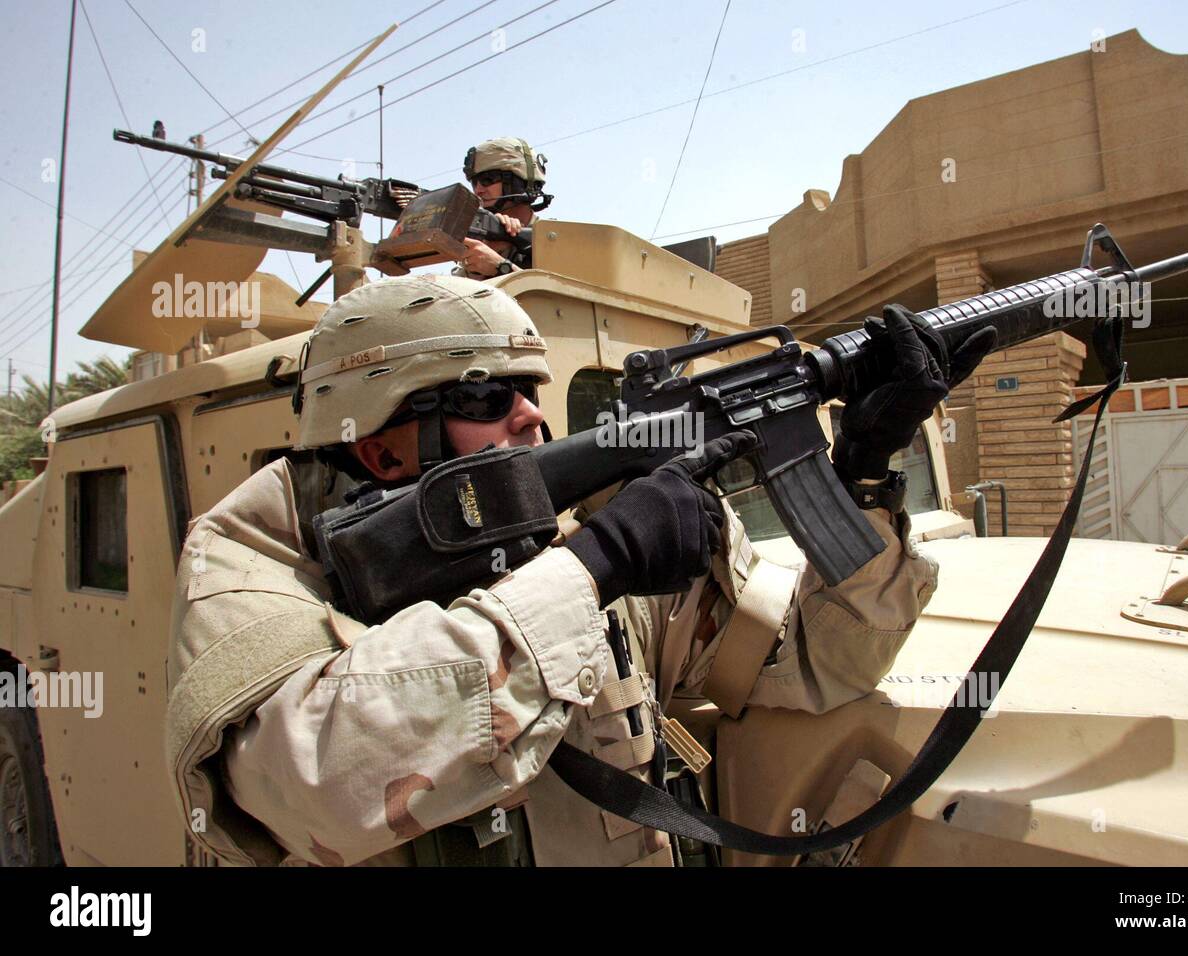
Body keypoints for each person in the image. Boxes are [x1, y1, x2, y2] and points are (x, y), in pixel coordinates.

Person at [165, 275, 992, 867]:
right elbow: (314, 780)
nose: (530, 416)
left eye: (530, 391)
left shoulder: (558, 536)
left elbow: (816, 668)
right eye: (487, 400)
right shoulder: (258, 559)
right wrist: (596, 566)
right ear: (381, 444)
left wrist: (862, 479)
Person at [458, 136, 550, 279]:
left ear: (517, 181)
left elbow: (559, 298)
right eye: (474, 183)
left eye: (487, 179)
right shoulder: (482, 241)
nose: (478, 190)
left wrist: (501, 267)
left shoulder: (555, 240)